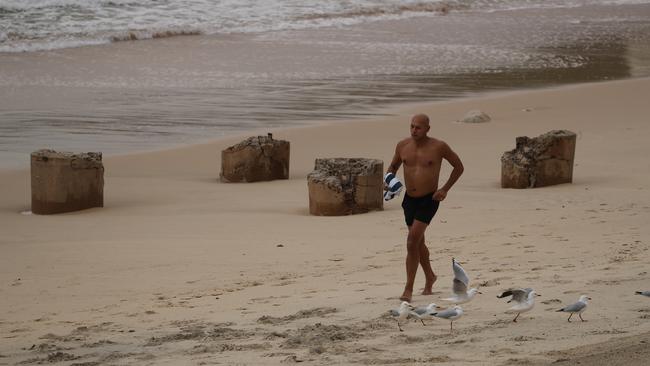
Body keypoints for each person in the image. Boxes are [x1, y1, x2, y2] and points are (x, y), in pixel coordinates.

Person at [387, 113, 464, 302]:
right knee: (418, 242)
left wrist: (444, 189)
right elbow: (392, 168)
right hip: (409, 200)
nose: (414, 130)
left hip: (429, 199)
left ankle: (408, 289)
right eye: (412, 126)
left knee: (412, 241)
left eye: (418, 127)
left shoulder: (439, 147)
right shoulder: (402, 146)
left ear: (428, 129)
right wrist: (389, 182)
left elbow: (458, 167)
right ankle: (430, 276)